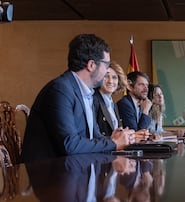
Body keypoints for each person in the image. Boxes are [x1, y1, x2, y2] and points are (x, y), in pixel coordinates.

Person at [21, 34, 136, 163]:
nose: (107, 71)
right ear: (91, 65)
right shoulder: (60, 89)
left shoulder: (87, 92)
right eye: (106, 64)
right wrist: (113, 143)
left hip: (75, 170)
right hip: (50, 175)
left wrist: (114, 139)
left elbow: (93, 137)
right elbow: (69, 145)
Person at [93, 60, 126, 136]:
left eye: (114, 77)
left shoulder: (113, 104)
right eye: (106, 76)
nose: (110, 81)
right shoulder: (93, 100)